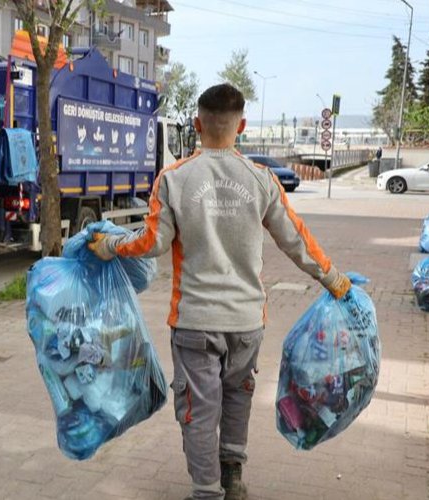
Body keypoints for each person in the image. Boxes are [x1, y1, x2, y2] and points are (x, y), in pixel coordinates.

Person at [88, 83, 351, 500]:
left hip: (194, 322)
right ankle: (232, 479)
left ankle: (207, 491)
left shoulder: (173, 179)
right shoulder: (261, 178)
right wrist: (334, 279)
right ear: (242, 126)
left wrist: (110, 246)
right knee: (237, 401)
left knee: (197, 410)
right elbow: (295, 239)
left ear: (196, 125)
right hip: (247, 322)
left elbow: (153, 241)